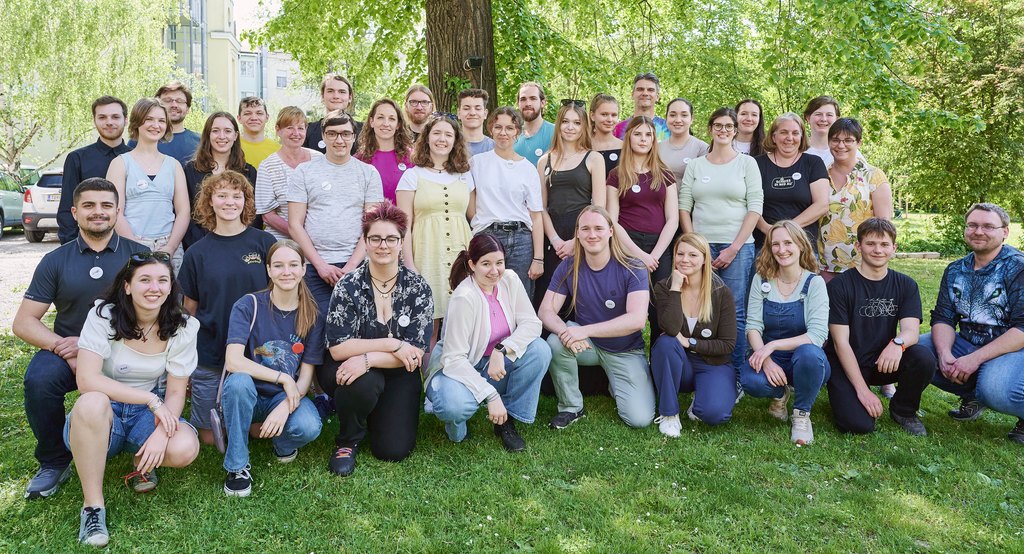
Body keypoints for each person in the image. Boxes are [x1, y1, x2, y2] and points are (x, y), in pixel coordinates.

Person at [14, 178, 149, 501]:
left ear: (118, 211)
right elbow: (24, 321)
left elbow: (156, 315)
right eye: (89, 205)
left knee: (144, 379)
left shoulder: (139, 256)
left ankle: (141, 453)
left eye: (106, 205)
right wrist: (65, 348)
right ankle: (54, 461)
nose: (98, 212)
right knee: (39, 381)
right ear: (75, 212)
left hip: (125, 348)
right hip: (67, 350)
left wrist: (96, 347)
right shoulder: (56, 260)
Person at [66, 251, 200, 547]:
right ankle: (93, 508)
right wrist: (150, 400)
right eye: (145, 280)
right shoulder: (103, 314)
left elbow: (177, 391)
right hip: (103, 410)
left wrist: (162, 435)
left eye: (162, 280)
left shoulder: (183, 326)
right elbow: (87, 379)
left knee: (184, 447)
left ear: (171, 286)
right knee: (91, 401)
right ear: (127, 285)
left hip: (146, 412)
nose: (155, 288)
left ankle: (143, 461)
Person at [320, 203, 434, 476]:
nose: (383, 245)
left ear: (401, 242)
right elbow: (338, 348)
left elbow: (416, 352)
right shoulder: (348, 285)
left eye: (391, 239)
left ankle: (374, 413)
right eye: (375, 238)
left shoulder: (418, 288)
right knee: (363, 380)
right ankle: (348, 440)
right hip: (349, 368)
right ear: (365, 242)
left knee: (393, 450)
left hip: (397, 371)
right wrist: (392, 343)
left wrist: (369, 358)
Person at [425, 234, 551, 451]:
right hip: (457, 368)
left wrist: (501, 350)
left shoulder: (510, 279)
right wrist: (491, 395)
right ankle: (457, 424)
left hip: (494, 364)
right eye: (486, 264)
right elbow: (454, 360)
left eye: (499, 263)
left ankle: (506, 421)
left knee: (539, 350)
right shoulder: (464, 297)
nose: (495, 271)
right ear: (472, 264)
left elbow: (531, 324)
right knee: (454, 406)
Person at [178, 170, 277, 444]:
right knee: (209, 435)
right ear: (210, 201)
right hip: (212, 352)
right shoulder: (196, 253)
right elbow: (189, 310)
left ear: (246, 201)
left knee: (260, 428)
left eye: (237, 196)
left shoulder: (264, 243)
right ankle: (234, 426)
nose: (230, 202)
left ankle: (242, 423)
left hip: (259, 351)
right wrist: (186, 359)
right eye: (222, 195)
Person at [221, 240, 324, 496]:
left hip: (283, 396)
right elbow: (233, 361)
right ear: (268, 270)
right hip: (248, 393)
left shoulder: (313, 316)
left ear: (303, 269)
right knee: (238, 382)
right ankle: (237, 466)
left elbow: (305, 378)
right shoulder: (248, 305)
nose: (286, 272)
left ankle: (281, 441)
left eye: (292, 265)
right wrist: (283, 378)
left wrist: (283, 407)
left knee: (309, 426)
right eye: (278, 265)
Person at [540, 206, 655, 429]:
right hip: (587, 346)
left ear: (611, 231)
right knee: (555, 342)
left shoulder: (633, 266)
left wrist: (585, 331)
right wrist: (567, 332)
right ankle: (571, 407)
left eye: (598, 228)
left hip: (625, 350)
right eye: (585, 229)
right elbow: (546, 311)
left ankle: (618, 384)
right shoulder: (569, 265)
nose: (592, 235)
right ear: (578, 234)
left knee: (639, 419)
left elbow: (637, 320)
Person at [920, 203, 1024, 444]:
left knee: (997, 389)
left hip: (1012, 349)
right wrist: (945, 353)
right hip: (968, 342)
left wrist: (974, 360)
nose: (979, 231)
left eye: (988, 226)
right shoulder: (956, 269)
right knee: (918, 352)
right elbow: (944, 317)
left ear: (1005, 231)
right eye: (973, 225)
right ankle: (975, 397)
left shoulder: (1018, 267)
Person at [825, 218, 936, 436]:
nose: (878, 250)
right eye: (870, 244)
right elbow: (840, 343)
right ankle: (847, 395)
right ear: (858, 246)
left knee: (923, 358)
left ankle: (904, 410)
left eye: (884, 245)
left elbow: (911, 331)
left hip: (883, 361)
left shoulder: (905, 285)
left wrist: (897, 343)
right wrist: (863, 391)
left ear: (893, 248)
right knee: (859, 425)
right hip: (846, 361)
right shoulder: (839, 286)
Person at [679, 107, 762, 379]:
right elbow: (684, 207)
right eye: (718, 125)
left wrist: (734, 248)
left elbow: (755, 208)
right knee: (700, 308)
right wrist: (695, 247)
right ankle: (702, 369)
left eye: (729, 126)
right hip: (701, 248)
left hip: (737, 248)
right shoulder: (696, 165)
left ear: (736, 130)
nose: (723, 130)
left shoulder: (747, 163)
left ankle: (735, 374)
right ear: (710, 128)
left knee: (735, 312)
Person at [741, 220, 830, 445]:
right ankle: (779, 395)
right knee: (751, 380)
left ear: (800, 245)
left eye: (788, 243)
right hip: (772, 357)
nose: (782, 250)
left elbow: (817, 336)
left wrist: (772, 346)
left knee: (809, 355)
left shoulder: (815, 283)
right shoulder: (761, 279)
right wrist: (767, 358)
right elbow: (752, 326)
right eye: (775, 244)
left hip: (806, 358)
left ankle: (801, 414)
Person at [289, 110, 384, 313]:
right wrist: (320, 265)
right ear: (323, 136)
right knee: (316, 330)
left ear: (354, 136)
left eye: (345, 134)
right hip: (314, 266)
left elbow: (372, 226)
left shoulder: (368, 173)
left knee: (357, 330)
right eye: (332, 133)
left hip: (358, 265)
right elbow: (294, 224)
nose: (339, 140)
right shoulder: (304, 172)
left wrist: (351, 266)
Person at [650, 233, 737, 436]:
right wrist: (675, 288)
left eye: (693, 255)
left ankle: (701, 400)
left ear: (705, 258)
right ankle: (669, 414)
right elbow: (671, 329)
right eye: (680, 254)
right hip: (679, 364)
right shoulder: (664, 287)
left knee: (714, 414)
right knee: (665, 343)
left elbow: (727, 344)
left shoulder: (721, 292)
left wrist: (690, 342)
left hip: (713, 363)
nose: (685, 260)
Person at [397, 113, 474, 343]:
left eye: (448, 134)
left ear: (456, 140)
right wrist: (410, 266)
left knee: (464, 325)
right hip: (427, 255)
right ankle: (427, 377)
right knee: (428, 327)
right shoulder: (412, 176)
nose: (442, 139)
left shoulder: (465, 176)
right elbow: (404, 227)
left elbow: (475, 217)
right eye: (437, 133)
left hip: (461, 255)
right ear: (427, 138)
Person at [607, 116, 678, 339]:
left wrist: (654, 255)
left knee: (660, 311)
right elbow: (612, 220)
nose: (643, 139)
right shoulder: (616, 175)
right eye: (638, 134)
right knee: (625, 308)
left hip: (659, 249)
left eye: (648, 135)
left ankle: (659, 366)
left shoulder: (665, 174)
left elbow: (673, 219)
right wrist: (639, 255)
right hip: (627, 248)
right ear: (628, 138)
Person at [105, 97, 190, 273]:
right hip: (131, 245)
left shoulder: (173, 165)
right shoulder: (120, 163)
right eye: (149, 119)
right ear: (137, 122)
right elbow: (114, 211)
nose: (155, 125)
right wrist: (135, 247)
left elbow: (183, 212)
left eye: (161, 120)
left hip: (168, 246)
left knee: (170, 299)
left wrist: (171, 247)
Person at [536, 102, 607, 306]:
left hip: (584, 234)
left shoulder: (593, 158)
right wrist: (556, 240)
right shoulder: (544, 161)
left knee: (580, 297)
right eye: (565, 121)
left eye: (576, 123)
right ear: (558, 125)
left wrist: (577, 240)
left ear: (584, 126)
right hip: (553, 236)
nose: (570, 127)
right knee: (549, 296)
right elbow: (540, 206)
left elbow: (599, 208)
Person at [468, 106, 544, 298]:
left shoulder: (528, 168)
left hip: (521, 240)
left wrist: (539, 258)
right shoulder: (477, 163)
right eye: (498, 127)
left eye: (509, 128)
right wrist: (482, 223)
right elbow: (470, 202)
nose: (503, 133)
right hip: (488, 235)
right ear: (491, 129)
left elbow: (536, 216)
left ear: (517, 131)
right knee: (486, 295)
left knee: (519, 298)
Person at [818, 118, 893, 280]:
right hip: (824, 265)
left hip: (862, 266)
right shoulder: (819, 175)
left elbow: (884, 224)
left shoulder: (873, 176)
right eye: (835, 140)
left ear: (859, 143)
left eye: (848, 140)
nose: (841, 145)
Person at [58, 96, 132, 244]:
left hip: (130, 242)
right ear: (94, 120)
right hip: (89, 243)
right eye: (102, 117)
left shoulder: (136, 159)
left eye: (115, 117)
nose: (109, 122)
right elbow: (67, 207)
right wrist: (71, 246)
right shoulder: (77, 158)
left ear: (126, 120)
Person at [182, 112, 259, 248]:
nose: (222, 136)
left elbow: (254, 214)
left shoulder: (249, 172)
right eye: (215, 131)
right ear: (208, 135)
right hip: (201, 245)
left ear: (235, 136)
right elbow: (185, 212)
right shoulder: (191, 170)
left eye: (227, 131)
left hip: (241, 245)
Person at [753, 112, 829, 250]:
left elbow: (822, 205)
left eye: (795, 133)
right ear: (773, 136)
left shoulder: (813, 163)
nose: (789, 138)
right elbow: (748, 203)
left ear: (801, 137)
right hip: (764, 244)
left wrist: (786, 229)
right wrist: (767, 229)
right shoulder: (756, 164)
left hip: (802, 245)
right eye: (783, 132)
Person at [255, 106, 324, 240]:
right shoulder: (267, 166)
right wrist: (301, 235)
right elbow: (268, 215)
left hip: (319, 242)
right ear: (278, 130)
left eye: (300, 128)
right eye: (289, 128)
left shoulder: (319, 159)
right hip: (283, 243)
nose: (296, 133)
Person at [356, 98, 415, 204]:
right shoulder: (359, 160)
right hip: (369, 219)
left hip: (404, 219)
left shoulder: (413, 157)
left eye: (392, 119)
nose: (386, 123)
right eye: (380, 117)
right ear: (371, 122)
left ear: (398, 125)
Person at [304, 73, 362, 155]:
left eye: (342, 92)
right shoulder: (308, 130)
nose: (336, 96)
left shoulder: (364, 131)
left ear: (350, 97)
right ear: (322, 96)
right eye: (330, 91)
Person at [144, 80, 200, 165]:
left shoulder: (201, 142)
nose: (174, 105)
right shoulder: (141, 140)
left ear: (188, 109)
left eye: (180, 101)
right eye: (167, 100)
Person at [658, 97, 709, 184]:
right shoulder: (657, 148)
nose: (678, 120)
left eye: (684, 115)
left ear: (692, 119)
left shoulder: (703, 149)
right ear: (666, 118)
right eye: (673, 115)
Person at [613, 72, 669, 141]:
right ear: (632, 94)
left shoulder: (667, 128)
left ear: (657, 96)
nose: (645, 93)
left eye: (650, 90)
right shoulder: (618, 129)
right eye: (640, 89)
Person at [513, 81, 556, 166]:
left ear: (543, 103)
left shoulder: (556, 133)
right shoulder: (511, 135)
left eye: (533, 98)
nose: (528, 103)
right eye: (523, 99)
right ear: (518, 103)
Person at [238, 96, 280, 168]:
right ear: (239, 118)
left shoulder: (278, 150)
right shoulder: (231, 147)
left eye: (259, 113)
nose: (254, 118)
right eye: (247, 113)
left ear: (267, 117)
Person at [589, 94, 623, 177]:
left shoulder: (625, 147)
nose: (610, 120)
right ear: (592, 116)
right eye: (604, 114)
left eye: (614, 115)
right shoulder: (582, 145)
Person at [802, 96, 841, 165]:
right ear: (808, 118)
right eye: (818, 114)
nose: (823, 119)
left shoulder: (845, 151)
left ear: (836, 119)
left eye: (829, 115)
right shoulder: (798, 150)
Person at [458, 88, 495, 156]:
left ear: (485, 114)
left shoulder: (495, 149)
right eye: (466, 108)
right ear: (458, 113)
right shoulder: (449, 146)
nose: (472, 113)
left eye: (478, 108)